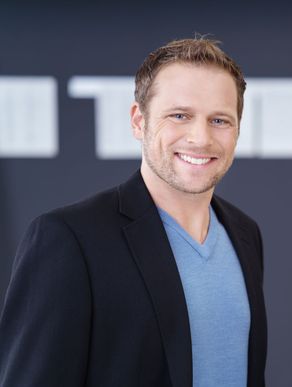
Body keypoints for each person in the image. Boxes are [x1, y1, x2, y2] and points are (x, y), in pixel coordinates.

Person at [0, 37, 266, 387]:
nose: (201, 138)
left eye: (220, 120)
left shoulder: (245, 234)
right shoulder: (69, 239)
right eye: (180, 115)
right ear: (138, 121)